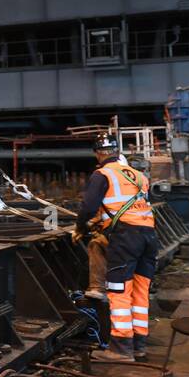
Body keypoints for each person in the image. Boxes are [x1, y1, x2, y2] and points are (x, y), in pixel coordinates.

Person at [74, 132, 156, 362]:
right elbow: (128, 206)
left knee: (118, 290)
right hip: (149, 235)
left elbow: (89, 206)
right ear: (117, 151)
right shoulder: (139, 176)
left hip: (125, 237)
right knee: (140, 291)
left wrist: (81, 226)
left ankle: (120, 349)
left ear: (98, 154)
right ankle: (139, 345)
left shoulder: (102, 174)